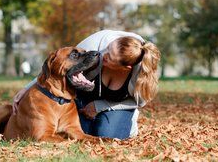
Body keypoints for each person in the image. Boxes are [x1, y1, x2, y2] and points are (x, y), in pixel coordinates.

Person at [13, 29, 161, 139]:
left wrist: (99, 106)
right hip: (85, 98)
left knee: (108, 135)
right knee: (82, 133)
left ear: (125, 68)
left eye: (109, 57)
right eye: (107, 49)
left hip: (116, 105)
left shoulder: (141, 71)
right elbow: (57, 65)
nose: (103, 55)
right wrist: (27, 88)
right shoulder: (95, 44)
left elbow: (140, 102)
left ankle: (129, 121)